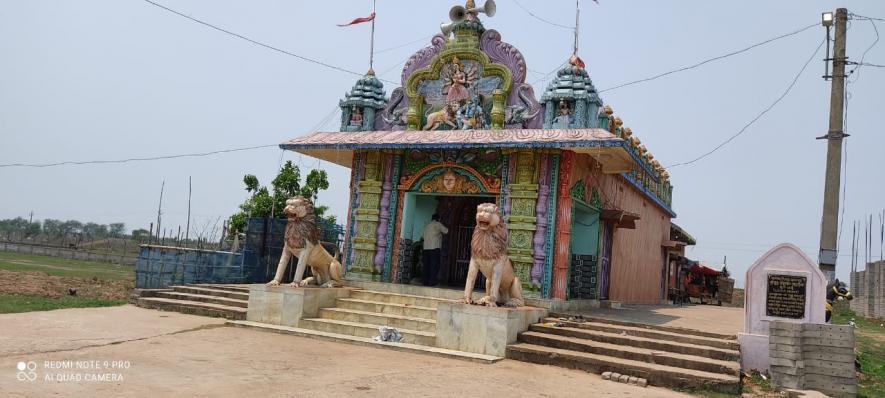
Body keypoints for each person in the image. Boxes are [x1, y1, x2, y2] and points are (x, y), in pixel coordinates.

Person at [421, 213, 448, 286]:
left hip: (426, 248)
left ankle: (425, 282)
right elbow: (446, 231)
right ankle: (432, 282)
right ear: (438, 219)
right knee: (434, 266)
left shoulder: (427, 226)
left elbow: (423, 237)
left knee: (426, 265)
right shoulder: (438, 224)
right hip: (434, 248)